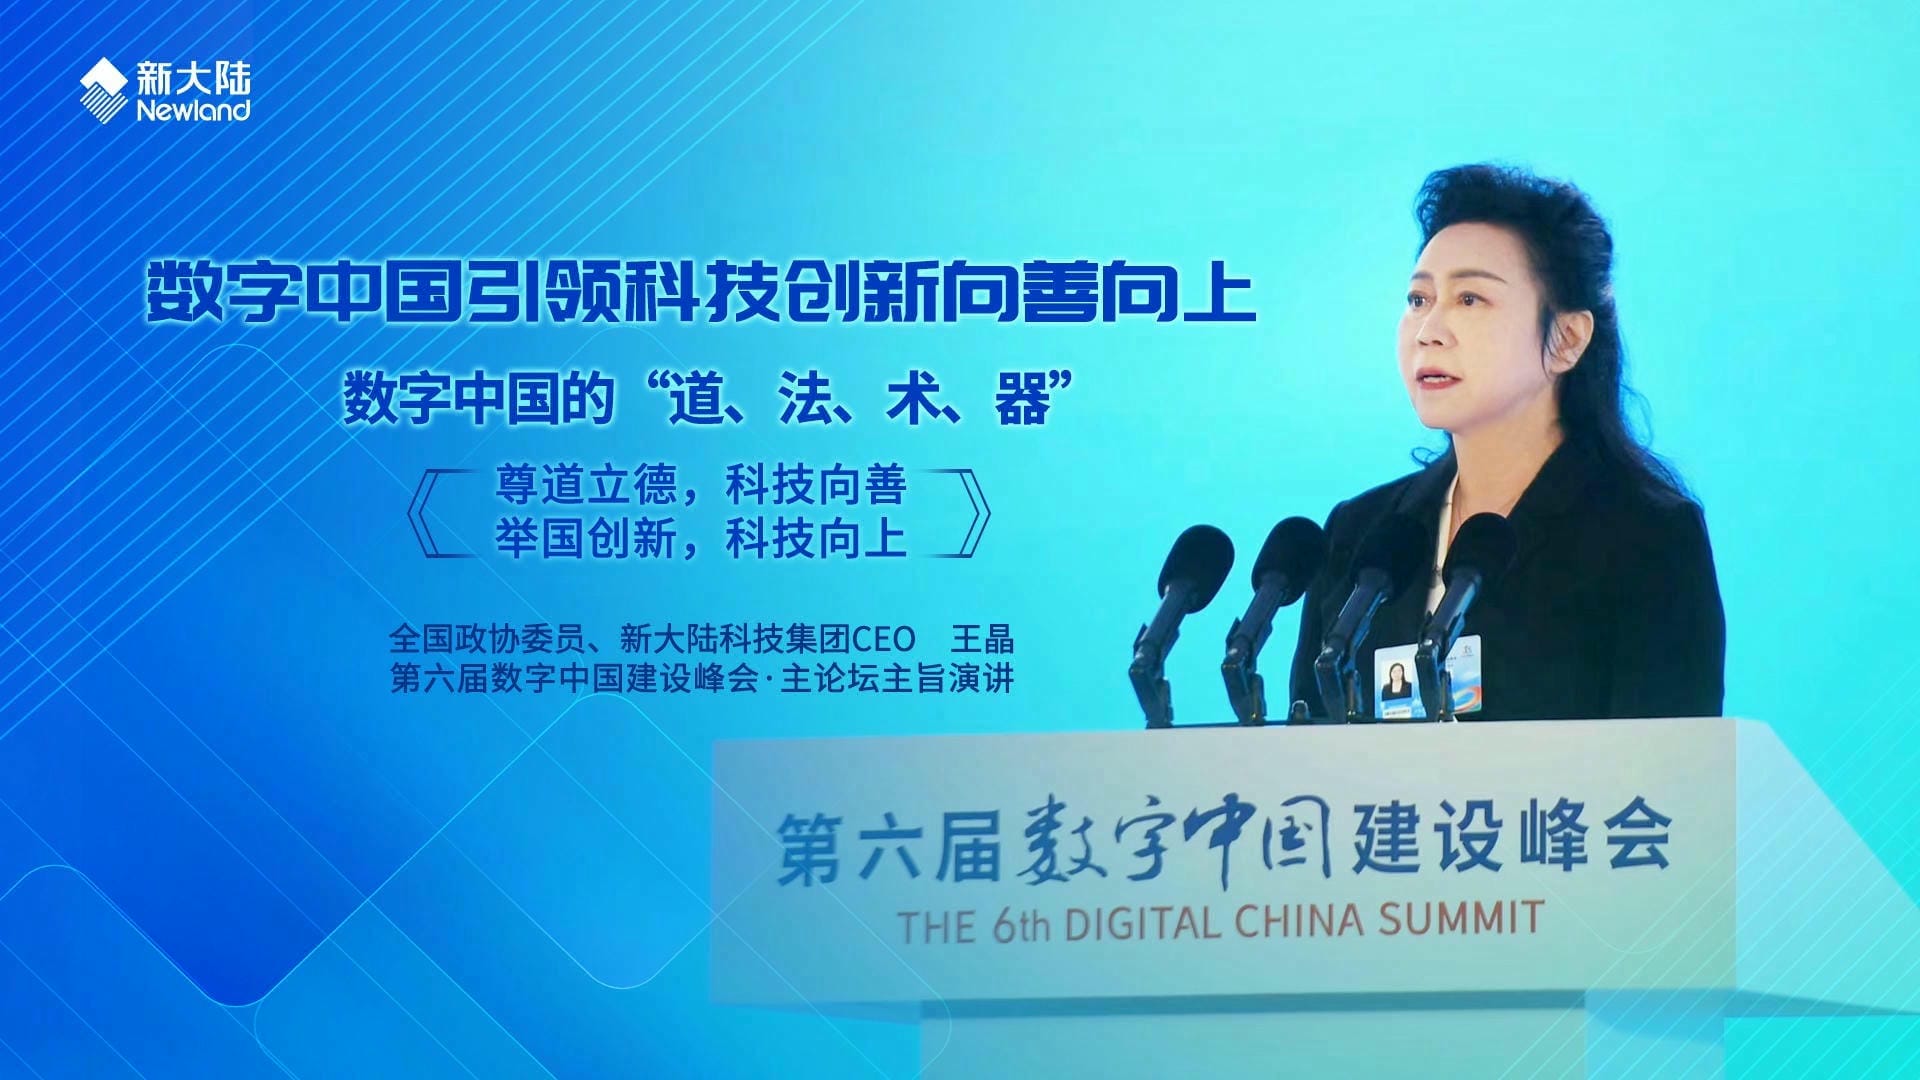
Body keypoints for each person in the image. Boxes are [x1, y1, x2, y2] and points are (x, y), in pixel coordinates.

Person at [1287, 163, 1725, 721]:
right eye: (1418, 300)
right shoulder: (1360, 534)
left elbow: (1671, 767)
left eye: (1470, 299)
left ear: (1566, 339)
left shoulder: (1645, 536)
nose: (1429, 331)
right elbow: (1304, 758)